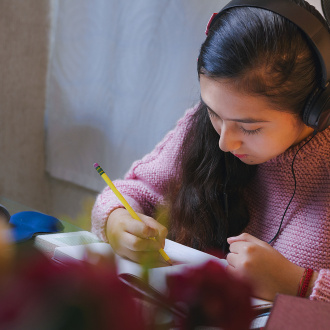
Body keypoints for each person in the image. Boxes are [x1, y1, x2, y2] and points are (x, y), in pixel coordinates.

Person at [91, 0, 329, 302]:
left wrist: (300, 283)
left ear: (316, 110)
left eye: (250, 127)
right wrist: (116, 222)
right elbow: (133, 191)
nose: (225, 143)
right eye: (214, 112)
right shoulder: (203, 124)